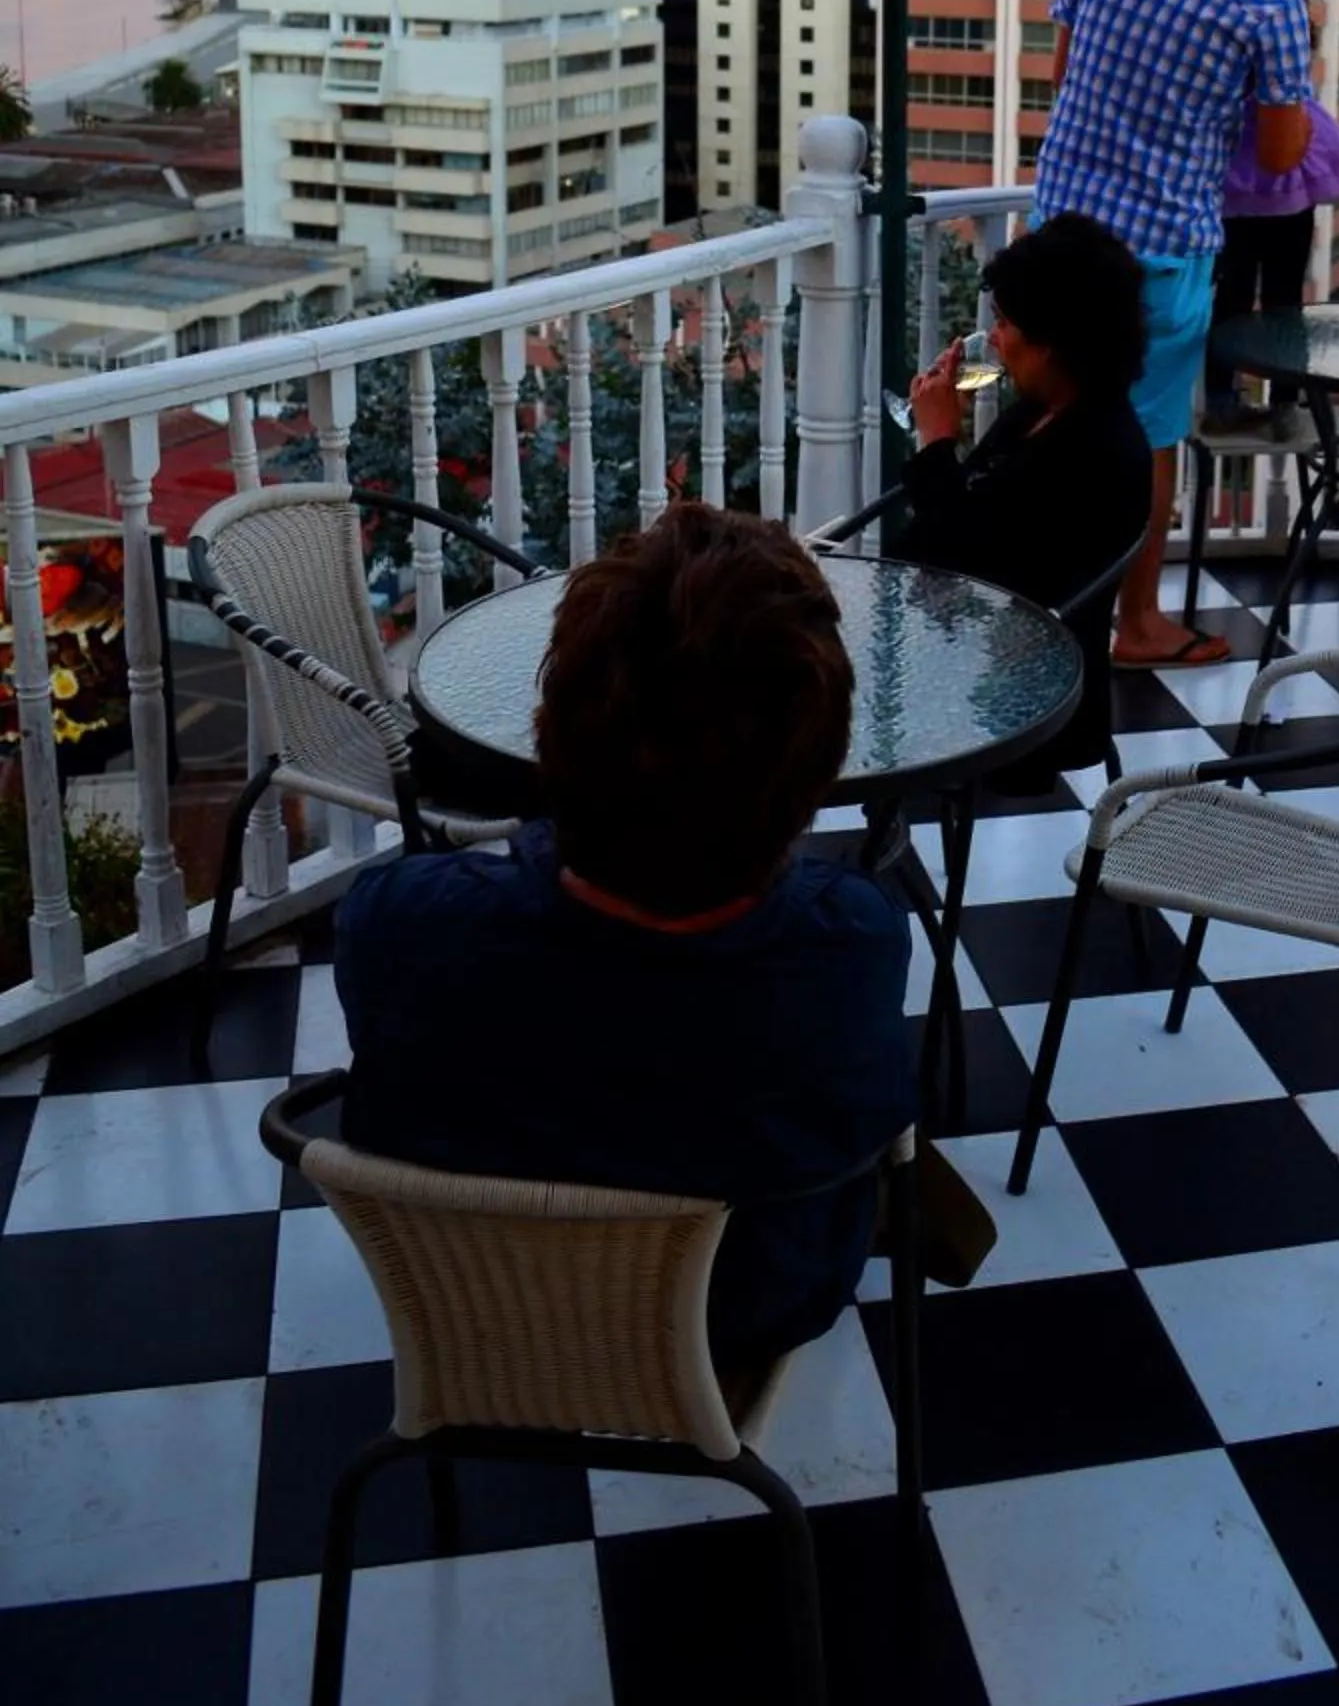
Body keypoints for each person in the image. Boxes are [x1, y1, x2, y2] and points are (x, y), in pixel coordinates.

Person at [334, 502, 918, 1369]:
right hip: (749, 1315)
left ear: (549, 736)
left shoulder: (398, 926)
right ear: (819, 772)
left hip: (484, 1313)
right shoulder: (854, 945)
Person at [1035, 0, 1314, 667]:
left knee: (1054, 418)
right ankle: (1139, 623)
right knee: (1147, 439)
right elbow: (1281, 153)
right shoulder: (1270, 2)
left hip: (1058, 237)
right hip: (1160, 249)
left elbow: (1062, 75)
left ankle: (1037, 609)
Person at [899, 213, 1152, 774]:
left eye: (1005, 322)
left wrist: (937, 443)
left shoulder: (1094, 450)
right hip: (980, 644)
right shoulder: (1046, 412)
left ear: (1054, 343)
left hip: (1021, 695)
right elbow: (967, 523)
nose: (994, 338)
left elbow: (963, 560)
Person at [1207, 0, 1339, 436]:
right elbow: (1307, 124)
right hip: (1288, 197)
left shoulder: (1226, 67)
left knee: (1230, 301)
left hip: (1233, 199)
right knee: (1284, 303)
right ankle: (1282, 403)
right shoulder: (1288, 65)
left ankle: (1221, 397)